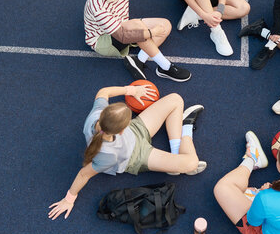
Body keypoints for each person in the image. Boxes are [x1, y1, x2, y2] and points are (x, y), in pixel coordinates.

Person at [48, 84, 206, 220]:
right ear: (122, 131)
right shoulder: (107, 156)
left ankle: (176, 152)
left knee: (175, 99)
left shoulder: (97, 115)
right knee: (190, 163)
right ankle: (185, 127)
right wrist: (69, 199)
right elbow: (84, 174)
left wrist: (131, 90)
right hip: (138, 156)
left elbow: (103, 92)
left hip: (137, 130)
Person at [84, 0, 191, 82]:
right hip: (103, 40)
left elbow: (123, 19)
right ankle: (165, 66)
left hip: (121, 26)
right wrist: (151, 32)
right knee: (140, 27)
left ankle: (138, 61)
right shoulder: (97, 7)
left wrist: (144, 32)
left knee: (165, 25)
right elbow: (123, 37)